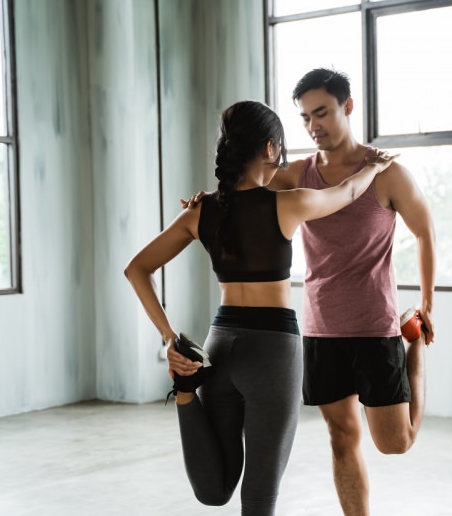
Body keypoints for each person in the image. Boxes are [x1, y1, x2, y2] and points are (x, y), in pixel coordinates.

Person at [185, 68, 436, 515]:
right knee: (341, 439)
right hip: (320, 329)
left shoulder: (387, 173)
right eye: (304, 118)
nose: (312, 125)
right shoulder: (297, 173)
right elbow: (244, 190)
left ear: (348, 106)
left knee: (395, 443)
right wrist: (205, 202)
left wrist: (427, 305)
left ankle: (414, 346)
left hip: (376, 325)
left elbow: (425, 231)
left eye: (321, 113)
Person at [124, 100, 394, 515]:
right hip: (272, 352)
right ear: (269, 148)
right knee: (260, 495)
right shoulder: (289, 204)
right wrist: (374, 167)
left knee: (215, 491)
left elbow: (136, 269)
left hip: (220, 347)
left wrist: (170, 339)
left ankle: (184, 395)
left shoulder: (201, 212)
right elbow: (348, 192)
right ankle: (182, 395)